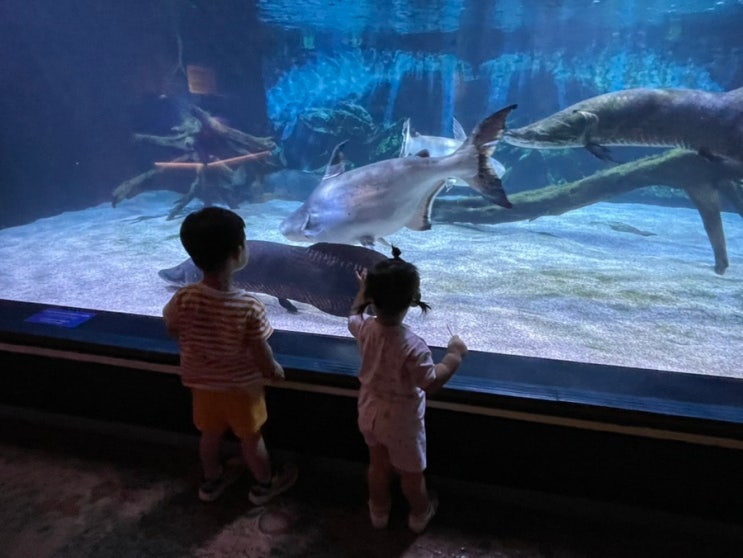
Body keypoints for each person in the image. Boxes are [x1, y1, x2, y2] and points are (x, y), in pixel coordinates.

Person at [163, 206, 297, 504]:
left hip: (201, 384)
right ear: (239, 253)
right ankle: (264, 484)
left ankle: (211, 480)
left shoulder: (183, 297)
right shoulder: (248, 306)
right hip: (241, 388)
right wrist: (272, 368)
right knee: (251, 437)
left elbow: (172, 325)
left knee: (209, 435)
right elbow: (259, 346)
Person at [348, 246, 468, 533]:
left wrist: (362, 293)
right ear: (413, 299)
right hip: (401, 422)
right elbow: (430, 382)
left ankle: (378, 511)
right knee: (411, 475)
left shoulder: (365, 329)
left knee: (377, 465)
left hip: (369, 411)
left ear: (372, 297)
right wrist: (454, 356)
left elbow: (353, 315)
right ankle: (419, 514)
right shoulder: (413, 346)